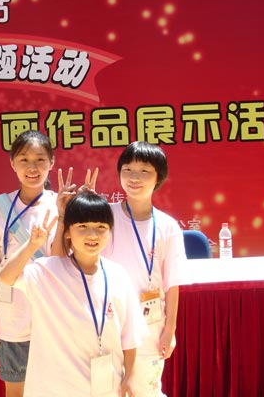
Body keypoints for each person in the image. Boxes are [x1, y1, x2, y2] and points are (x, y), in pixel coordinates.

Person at [0, 191, 147, 397]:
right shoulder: (47, 271)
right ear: (67, 232)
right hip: (53, 390)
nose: (92, 235)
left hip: (105, 389)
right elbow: (6, 277)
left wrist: (130, 375)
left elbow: (130, 336)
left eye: (101, 227)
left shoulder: (118, 276)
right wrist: (31, 245)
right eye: (82, 227)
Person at [0, 130, 60, 397]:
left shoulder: (61, 206)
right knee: (16, 389)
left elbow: (63, 262)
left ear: (51, 162)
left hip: (52, 315)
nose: (32, 168)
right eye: (24, 160)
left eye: (40, 160)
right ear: (12, 164)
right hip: (12, 318)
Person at [106, 141, 186, 396]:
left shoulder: (168, 226)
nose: (134, 178)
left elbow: (172, 283)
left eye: (144, 171)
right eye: (128, 170)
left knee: (146, 390)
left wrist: (170, 330)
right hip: (109, 323)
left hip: (150, 327)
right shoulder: (105, 217)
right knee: (109, 390)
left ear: (158, 177)